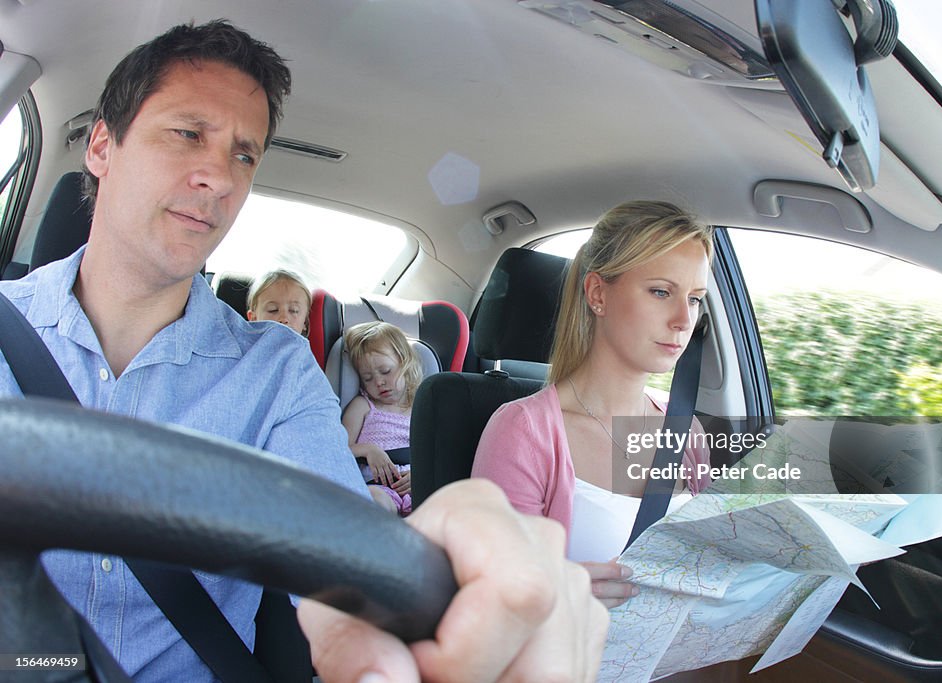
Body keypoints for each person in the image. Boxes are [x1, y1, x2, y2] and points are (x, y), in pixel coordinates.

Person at [0, 20, 606, 682]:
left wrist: (434, 595)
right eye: (188, 133)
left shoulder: (277, 373)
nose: (219, 176)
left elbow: (347, 561)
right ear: (101, 146)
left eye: (244, 154)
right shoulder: (10, 331)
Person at [473, 200, 715, 608]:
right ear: (598, 293)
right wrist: (555, 597)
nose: (683, 320)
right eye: (661, 291)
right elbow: (492, 599)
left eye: (694, 299)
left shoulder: (687, 432)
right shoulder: (522, 431)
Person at [341, 321, 420, 515]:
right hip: (378, 487)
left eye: (386, 371)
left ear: (404, 361)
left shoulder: (422, 407)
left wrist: (422, 474)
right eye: (367, 378)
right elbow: (338, 447)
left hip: (416, 486)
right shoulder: (363, 407)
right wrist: (368, 450)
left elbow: (439, 452)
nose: (379, 382)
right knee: (375, 502)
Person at [247, 268, 312, 336]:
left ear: (304, 322)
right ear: (254, 319)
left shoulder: (303, 346)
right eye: (273, 310)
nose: (283, 319)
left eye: (294, 310)